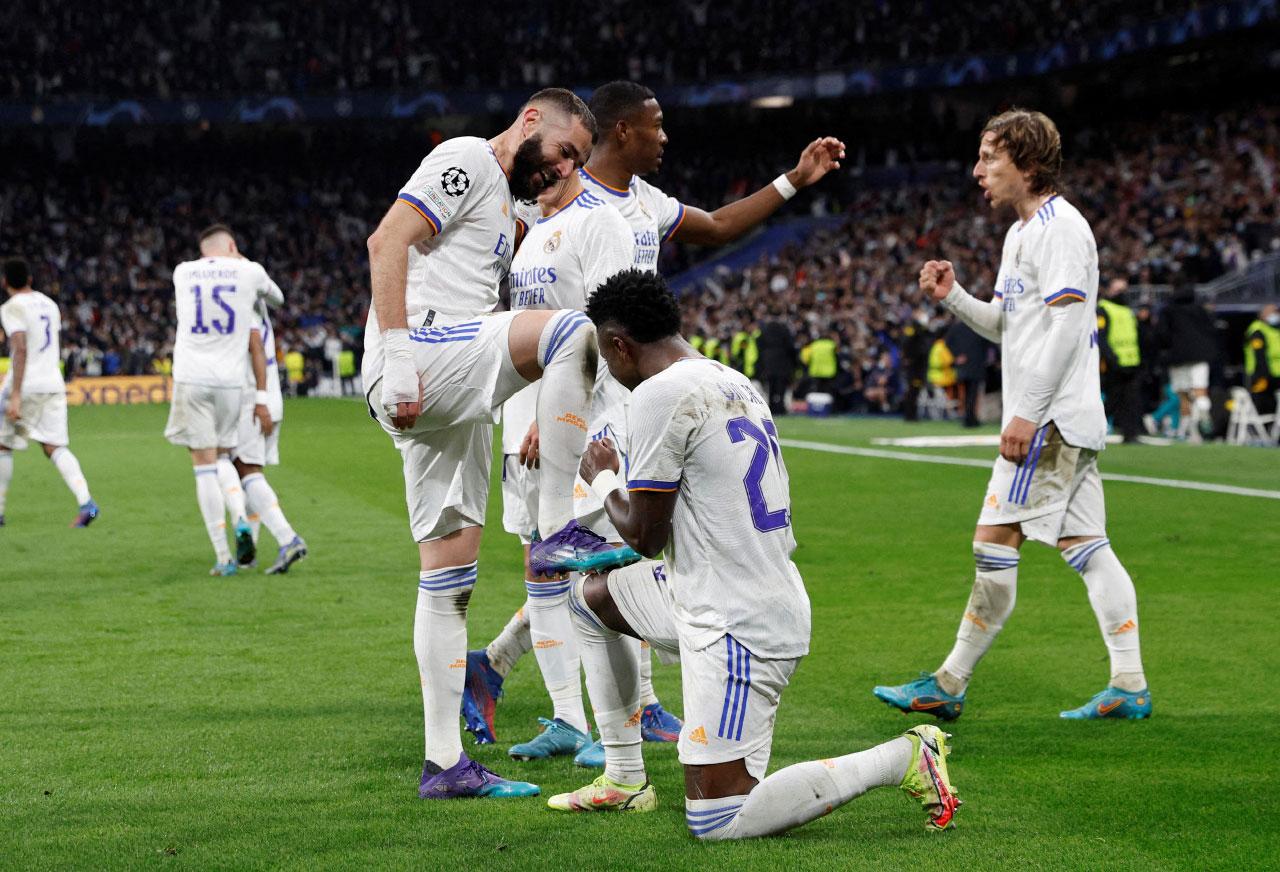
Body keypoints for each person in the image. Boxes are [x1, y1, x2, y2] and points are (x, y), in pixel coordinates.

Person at [541, 269, 961, 837]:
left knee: (717, 820)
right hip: (717, 591)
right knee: (591, 599)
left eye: (605, 355)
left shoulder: (658, 394)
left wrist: (603, 478)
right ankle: (623, 777)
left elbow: (645, 537)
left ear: (620, 345)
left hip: (738, 623)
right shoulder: (733, 380)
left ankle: (903, 756)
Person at [362, 87, 635, 801]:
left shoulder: (510, 210)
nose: (564, 168)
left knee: (449, 579)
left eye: (576, 162)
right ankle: (558, 529)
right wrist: (397, 356)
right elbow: (387, 240)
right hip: (422, 353)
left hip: (451, 388)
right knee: (571, 330)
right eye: (565, 151)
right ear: (531, 120)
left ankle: (444, 765)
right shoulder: (465, 159)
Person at [874, 109, 1151, 722]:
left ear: (1026, 163)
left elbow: (1068, 327)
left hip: (1051, 420)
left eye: (989, 158)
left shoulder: (1062, 228)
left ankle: (948, 683)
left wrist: (1025, 414)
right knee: (1088, 546)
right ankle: (1129, 685)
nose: (978, 171)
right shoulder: (1021, 233)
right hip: (1062, 417)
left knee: (993, 541)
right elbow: (1005, 324)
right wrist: (953, 297)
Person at [464, 167, 636, 761]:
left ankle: (618, 729)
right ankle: (568, 718)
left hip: (581, 425)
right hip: (523, 427)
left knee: (603, 573)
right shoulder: (530, 229)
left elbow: (610, 327)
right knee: (542, 570)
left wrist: (561, 411)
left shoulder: (600, 222)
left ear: (574, 153)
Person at [165, 226, 283, 575]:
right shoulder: (249, 272)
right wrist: (244, 263)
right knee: (227, 455)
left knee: (206, 465)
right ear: (232, 245)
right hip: (232, 383)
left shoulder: (183, 271)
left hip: (191, 376)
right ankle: (244, 521)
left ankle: (223, 555)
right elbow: (277, 298)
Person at [0, 257, 98, 528]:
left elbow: (20, 348)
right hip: (53, 383)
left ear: (5, 282)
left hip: (26, 384)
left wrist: (15, 394)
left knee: (3, 444)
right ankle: (86, 502)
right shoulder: (49, 304)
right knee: (54, 447)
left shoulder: (11, 307)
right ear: (30, 279)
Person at [228, 301, 307, 574]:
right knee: (248, 475)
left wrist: (258, 401)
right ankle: (247, 554)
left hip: (255, 402)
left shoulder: (244, 308)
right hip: (270, 400)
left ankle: (288, 539)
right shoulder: (257, 304)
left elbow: (254, 349)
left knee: (246, 470)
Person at [1157, 282, 1219, 442]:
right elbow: (1212, 330)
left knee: (1183, 395)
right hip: (1200, 356)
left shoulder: (1168, 311)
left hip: (1177, 358)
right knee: (1200, 391)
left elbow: (1162, 334)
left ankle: (1187, 431)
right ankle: (1203, 411)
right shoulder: (1201, 310)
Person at [1096, 278, 1143, 442]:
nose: (1122, 293)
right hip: (1113, 364)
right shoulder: (1103, 308)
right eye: (1118, 290)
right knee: (1112, 401)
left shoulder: (1127, 310)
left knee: (1131, 401)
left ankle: (1130, 434)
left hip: (1132, 362)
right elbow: (1101, 337)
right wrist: (1111, 358)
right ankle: (1093, 430)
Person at [944, 318, 989, 428]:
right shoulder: (977, 327)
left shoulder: (957, 328)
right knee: (971, 394)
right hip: (975, 365)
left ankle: (969, 417)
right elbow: (987, 343)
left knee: (966, 394)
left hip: (967, 365)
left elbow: (947, 342)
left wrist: (957, 355)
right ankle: (970, 418)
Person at [1244, 303, 1280, 417]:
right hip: (1260, 374)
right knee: (1262, 404)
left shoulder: (1274, 329)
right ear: (1263, 314)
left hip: (1275, 374)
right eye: (1273, 312)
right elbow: (1259, 355)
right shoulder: (1257, 330)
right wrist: (1264, 375)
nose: (1276, 314)